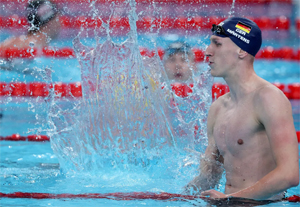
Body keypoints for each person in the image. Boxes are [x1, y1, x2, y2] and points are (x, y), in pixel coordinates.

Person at [185, 17, 299, 200]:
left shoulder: (268, 99)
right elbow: (209, 177)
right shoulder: (218, 108)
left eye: (217, 44)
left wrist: (231, 199)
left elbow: (290, 174)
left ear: (241, 50)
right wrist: (176, 197)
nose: (207, 52)